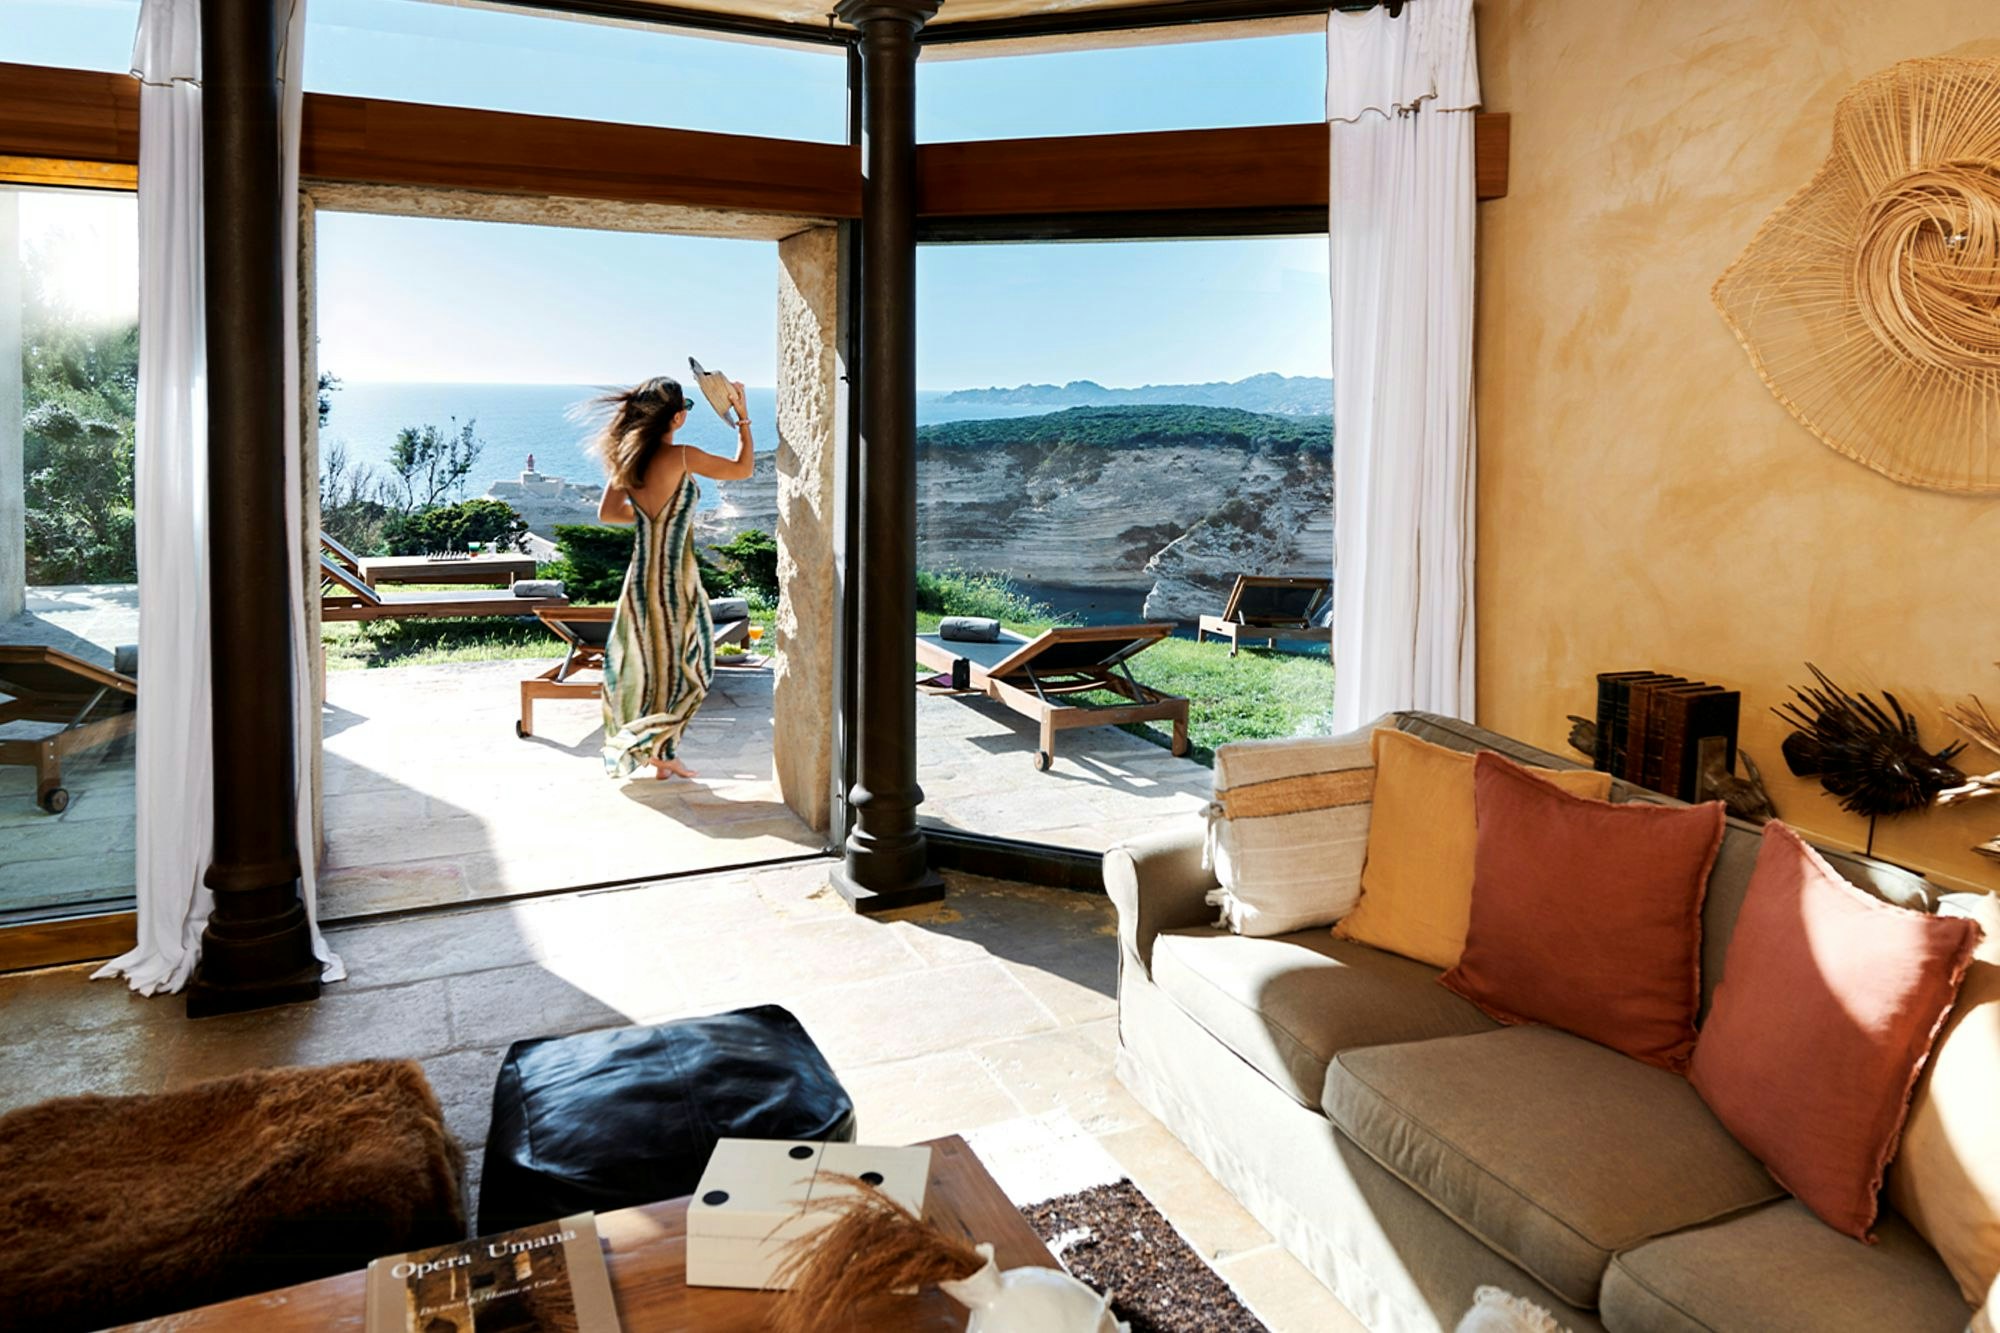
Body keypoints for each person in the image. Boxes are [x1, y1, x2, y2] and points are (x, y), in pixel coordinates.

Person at [591, 375, 754, 780]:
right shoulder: (683, 456)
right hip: (675, 581)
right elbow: (743, 469)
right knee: (694, 669)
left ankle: (662, 755)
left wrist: (651, 520)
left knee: (652, 666)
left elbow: (608, 513)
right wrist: (742, 418)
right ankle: (657, 748)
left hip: (639, 579)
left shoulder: (629, 457)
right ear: (678, 417)